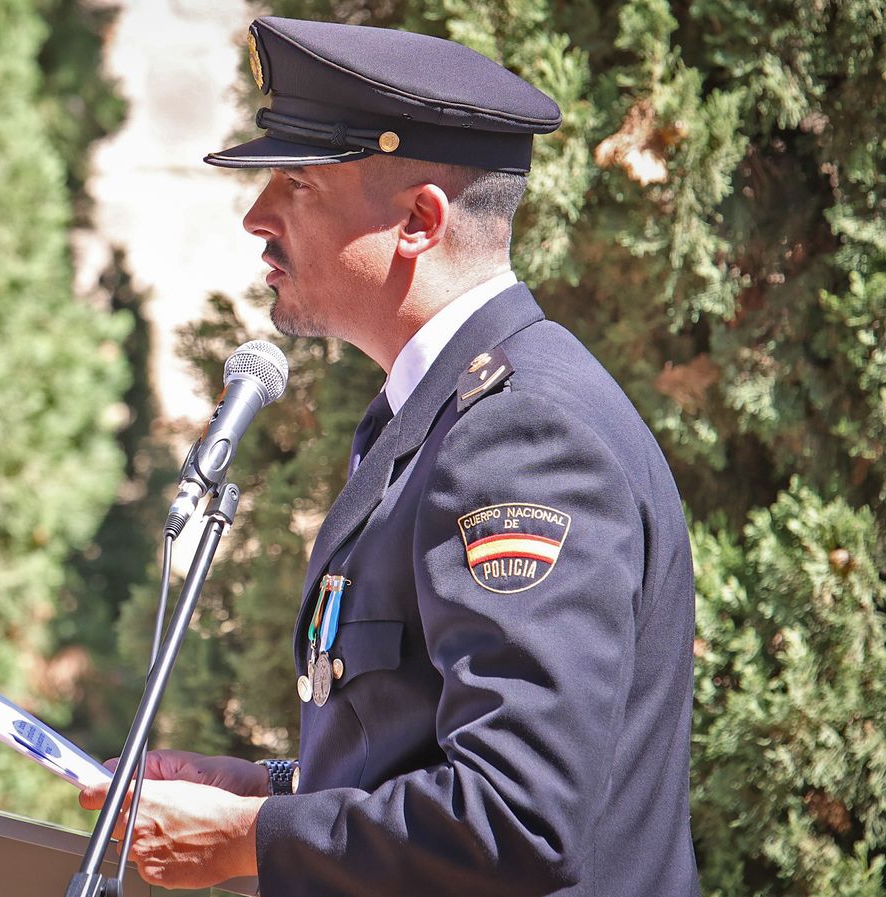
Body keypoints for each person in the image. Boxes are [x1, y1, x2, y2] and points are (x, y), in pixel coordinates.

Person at [80, 16, 699, 896]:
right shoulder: (436, 414)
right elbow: (434, 750)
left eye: (295, 183)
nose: (257, 219)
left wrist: (258, 837)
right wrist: (266, 792)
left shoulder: (523, 437)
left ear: (419, 219)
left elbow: (518, 816)